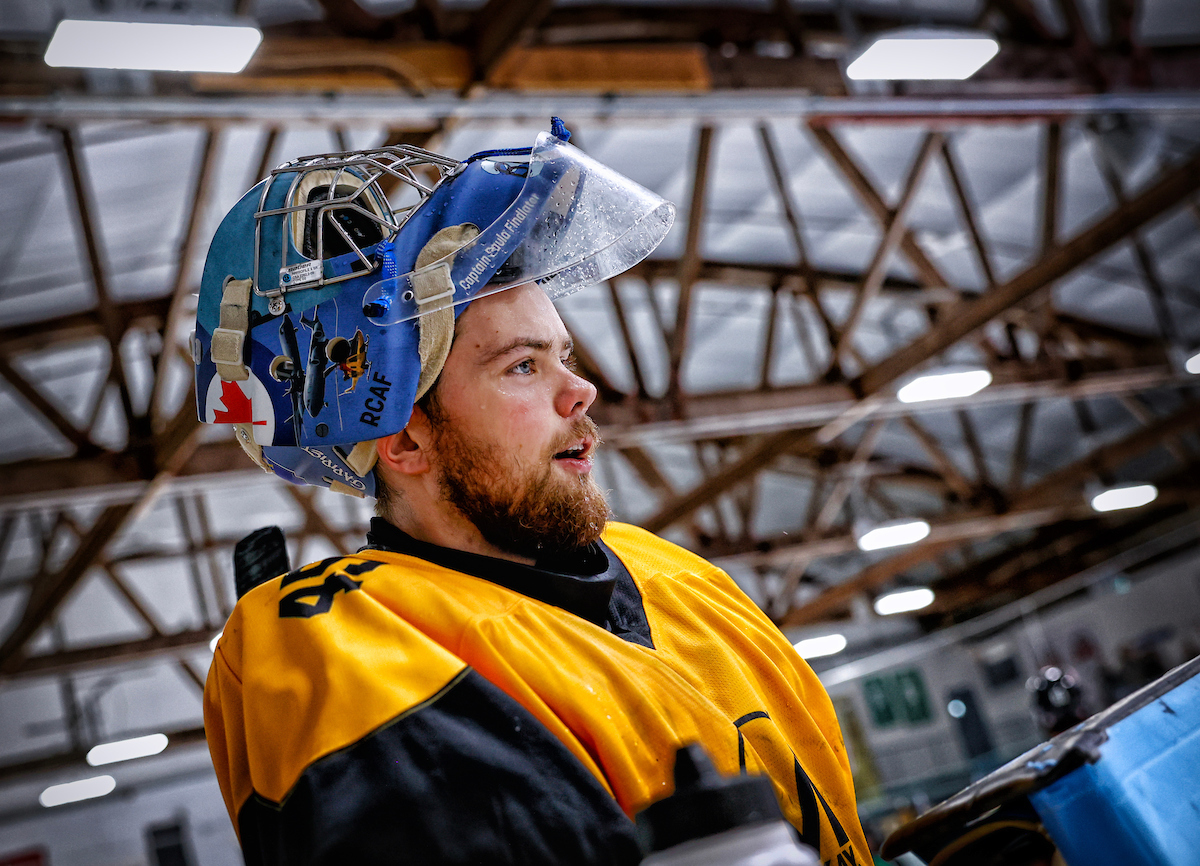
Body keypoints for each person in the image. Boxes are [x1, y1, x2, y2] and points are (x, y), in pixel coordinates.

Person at [196, 120, 869, 866]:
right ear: (406, 441)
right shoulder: (345, 642)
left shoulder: (676, 575)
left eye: (564, 356)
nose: (581, 391)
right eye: (523, 366)